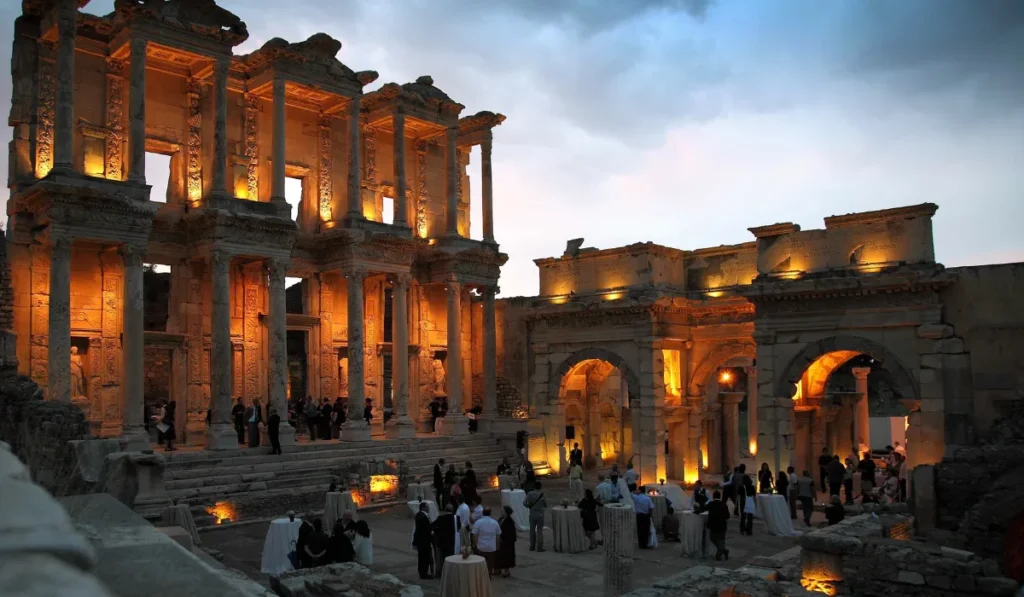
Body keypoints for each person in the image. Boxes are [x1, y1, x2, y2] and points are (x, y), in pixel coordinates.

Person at [471, 507, 501, 575]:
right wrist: (497, 546)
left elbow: (475, 535)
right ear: (490, 513)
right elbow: (498, 536)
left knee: (480, 565)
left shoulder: (478, 523)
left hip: (481, 548)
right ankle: (488, 578)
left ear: (482, 513)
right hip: (491, 548)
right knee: (490, 566)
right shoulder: (495, 523)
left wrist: (474, 545)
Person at [705, 490, 730, 561]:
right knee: (721, 540)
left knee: (713, 538)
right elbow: (727, 517)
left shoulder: (711, 504)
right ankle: (723, 551)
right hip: (721, 526)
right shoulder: (724, 505)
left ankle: (721, 552)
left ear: (713, 497)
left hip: (713, 525)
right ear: (720, 497)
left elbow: (703, 508)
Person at [433, 505, 457, 573]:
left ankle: (445, 571)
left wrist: (437, 531)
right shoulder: (456, 518)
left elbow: (432, 526)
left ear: (445, 510)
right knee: (452, 555)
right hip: (453, 540)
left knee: (444, 557)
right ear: (452, 510)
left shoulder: (440, 518)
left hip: (442, 541)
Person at [413, 502, 434, 579]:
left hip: (423, 540)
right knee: (424, 557)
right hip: (423, 541)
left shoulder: (421, 515)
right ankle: (423, 573)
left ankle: (423, 572)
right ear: (423, 508)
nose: (428, 508)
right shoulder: (422, 516)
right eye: (427, 507)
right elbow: (425, 529)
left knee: (423, 557)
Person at [524, 480, 547, 552]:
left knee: (532, 530)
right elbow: (545, 505)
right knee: (539, 530)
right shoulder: (542, 494)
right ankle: (539, 547)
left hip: (532, 513)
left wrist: (529, 506)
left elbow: (524, 503)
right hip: (540, 513)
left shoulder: (530, 494)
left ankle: (532, 545)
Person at [496, 506, 517, 577]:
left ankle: (506, 571)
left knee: (507, 556)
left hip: (507, 542)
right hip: (500, 541)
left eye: (502, 511)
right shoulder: (500, 519)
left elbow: (512, 534)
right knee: (499, 555)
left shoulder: (510, 522)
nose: (501, 512)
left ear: (506, 512)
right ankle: (498, 569)